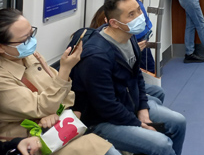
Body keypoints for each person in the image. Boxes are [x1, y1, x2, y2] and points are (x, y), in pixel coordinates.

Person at [71, 0, 186, 155]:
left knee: (178, 122)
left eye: (138, 10)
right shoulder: (97, 56)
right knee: (162, 144)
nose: (139, 17)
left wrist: (143, 109)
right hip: (102, 121)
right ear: (115, 23)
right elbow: (106, 106)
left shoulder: (128, 36)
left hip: (127, 104)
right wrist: (138, 123)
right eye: (131, 14)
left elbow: (137, 77)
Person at [0, 9, 118, 155]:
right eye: (24, 39)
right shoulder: (2, 79)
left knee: (108, 149)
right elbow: (40, 107)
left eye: (32, 34)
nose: (31, 41)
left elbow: (68, 97)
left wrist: (55, 113)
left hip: (59, 129)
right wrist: (65, 70)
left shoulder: (31, 57)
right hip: (33, 141)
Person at [88, 5, 165, 104]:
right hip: (119, 88)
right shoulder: (99, 48)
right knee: (156, 101)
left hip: (128, 83)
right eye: (131, 15)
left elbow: (136, 75)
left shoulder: (128, 38)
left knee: (159, 92)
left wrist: (134, 53)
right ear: (111, 23)